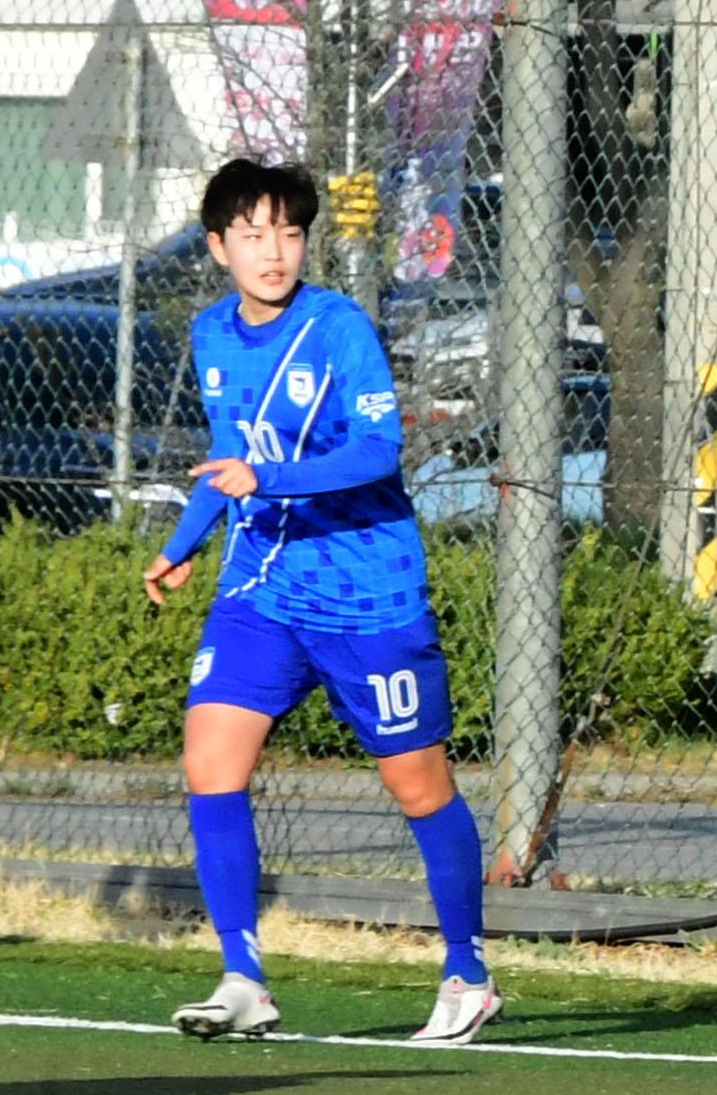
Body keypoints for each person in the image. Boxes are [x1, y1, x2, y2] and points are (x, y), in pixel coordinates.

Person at [142, 158, 494, 1045]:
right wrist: (182, 546)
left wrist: (272, 476)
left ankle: (467, 970)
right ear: (218, 245)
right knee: (210, 761)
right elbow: (230, 455)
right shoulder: (212, 334)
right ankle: (242, 974)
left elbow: (379, 451)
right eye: (253, 234)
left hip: (367, 593)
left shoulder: (339, 328)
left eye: (289, 233)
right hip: (261, 587)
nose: (274, 251)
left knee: (420, 788)